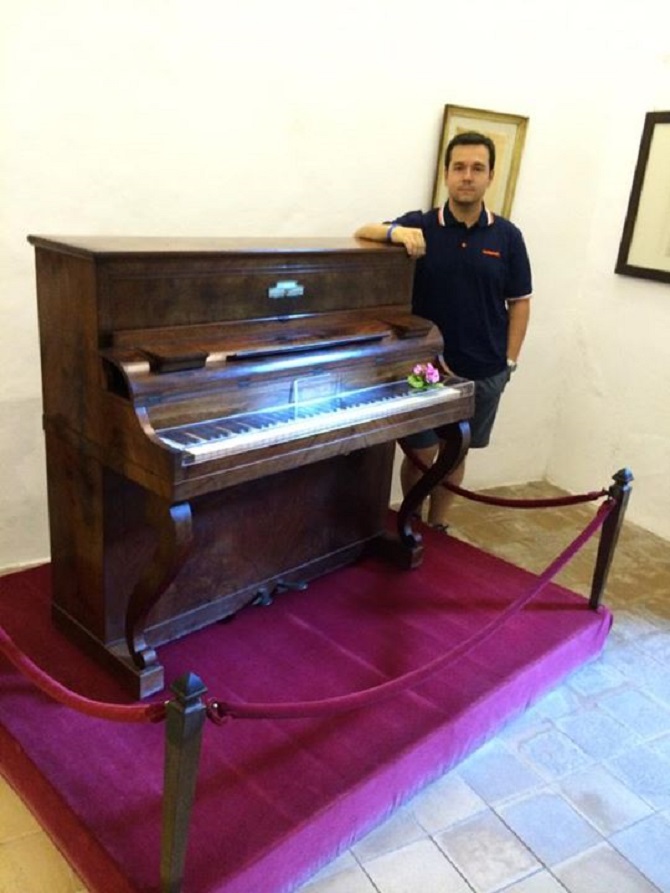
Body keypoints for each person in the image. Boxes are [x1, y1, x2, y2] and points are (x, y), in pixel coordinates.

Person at [354, 130, 532, 532]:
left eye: (477, 168)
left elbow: (520, 301)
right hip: (425, 368)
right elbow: (363, 230)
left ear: (489, 177)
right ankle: (409, 523)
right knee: (422, 452)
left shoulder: (508, 236)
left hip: (484, 369)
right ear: (446, 174)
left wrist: (509, 363)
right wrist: (393, 233)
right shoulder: (421, 225)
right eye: (459, 168)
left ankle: (439, 528)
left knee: (457, 452)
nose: (467, 176)